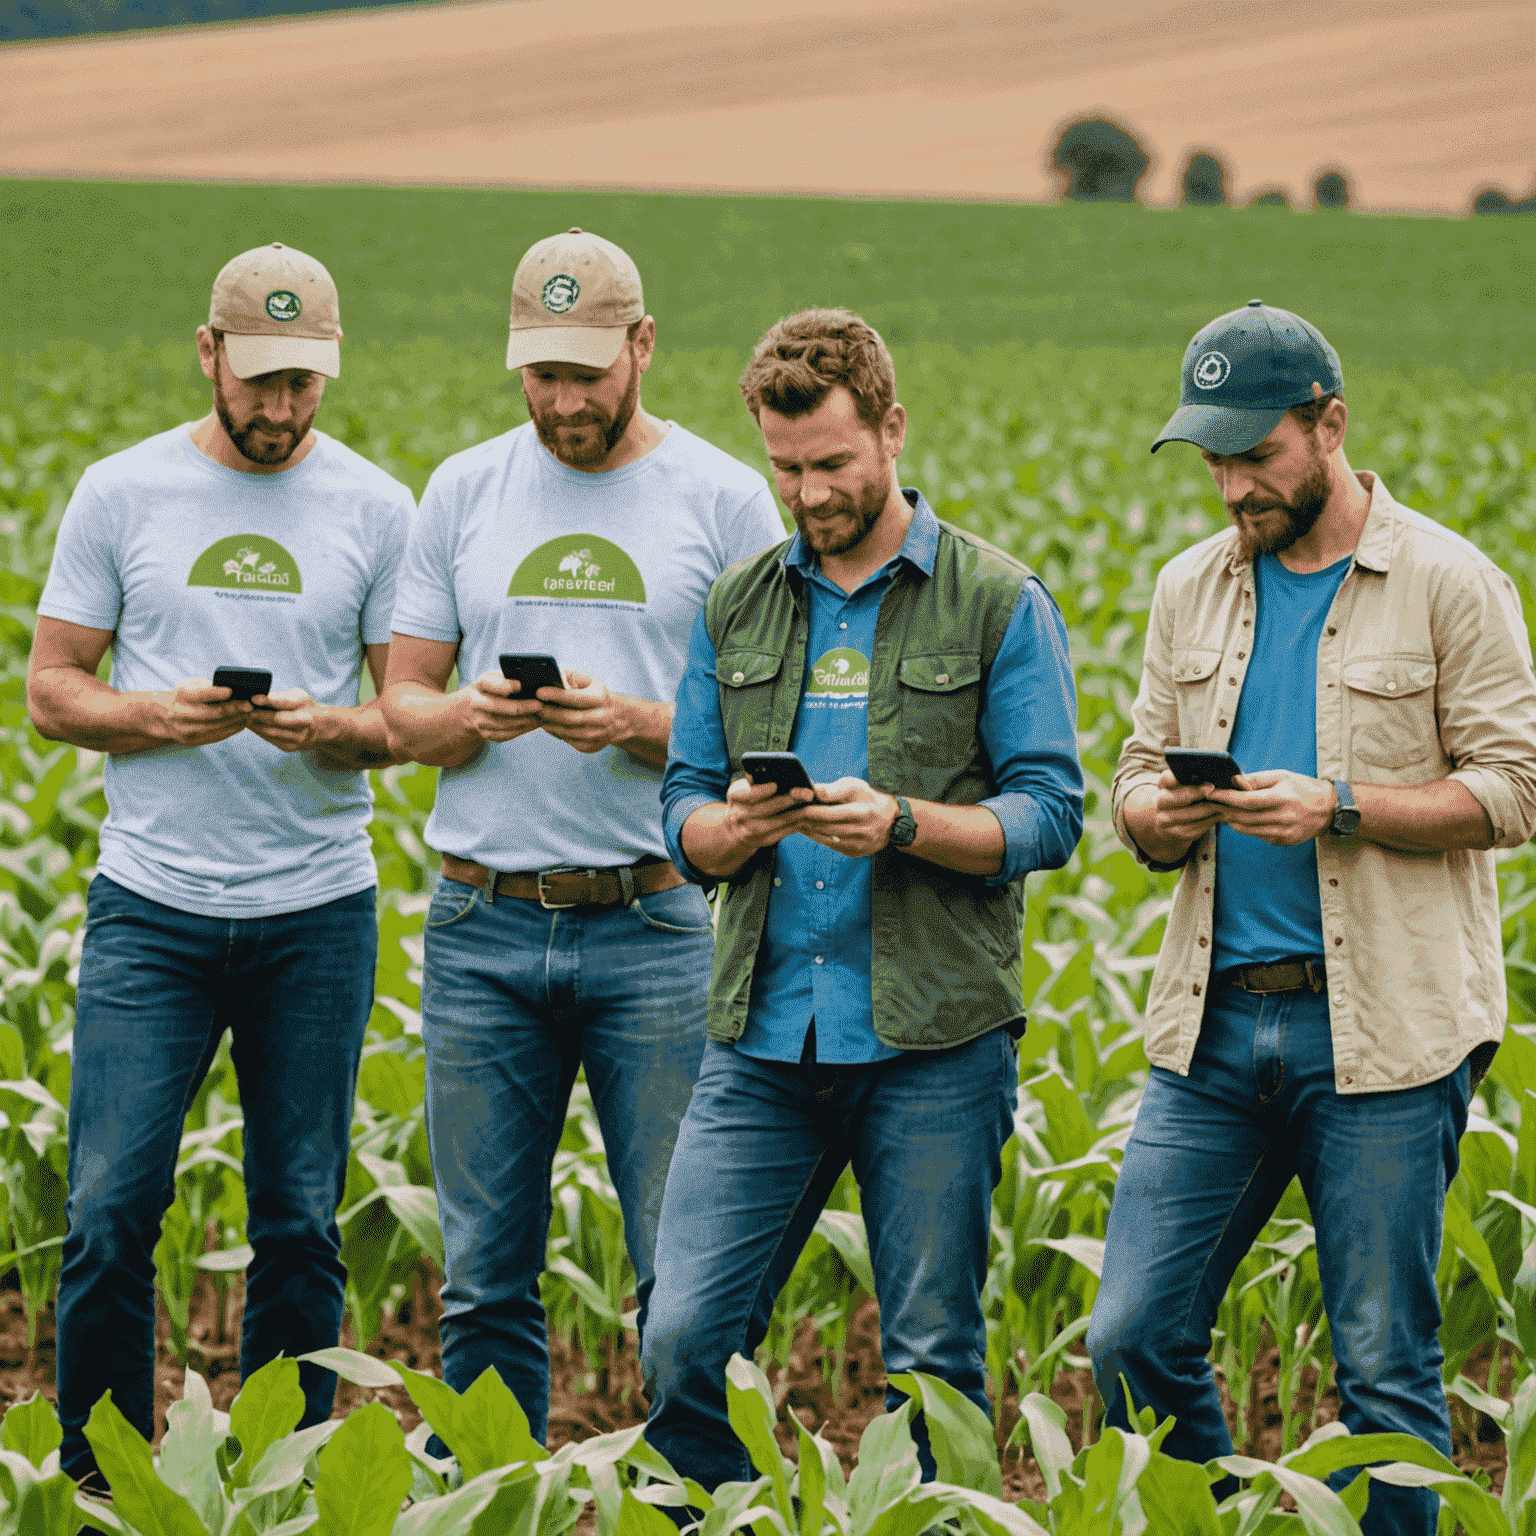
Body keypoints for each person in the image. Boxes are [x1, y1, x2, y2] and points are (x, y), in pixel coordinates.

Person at [1087, 301, 1536, 1534]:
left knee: (1384, 1372)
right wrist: (1154, 819)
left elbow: (1515, 790)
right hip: (1214, 1034)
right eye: (1214, 458)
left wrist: (1338, 804)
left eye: (1257, 454)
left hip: (1381, 1035)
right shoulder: (1192, 589)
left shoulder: (1449, 581)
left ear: (1330, 426)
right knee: (1132, 1334)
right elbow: (1130, 772)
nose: (1234, 484)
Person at [644, 308, 1084, 1489]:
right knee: (683, 1334)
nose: (809, 492)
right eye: (786, 468)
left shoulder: (994, 600)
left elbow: (1050, 813)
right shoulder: (740, 604)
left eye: (832, 463)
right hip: (763, 1035)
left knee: (933, 1358)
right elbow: (683, 808)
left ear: (892, 430)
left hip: (934, 1039)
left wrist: (902, 824)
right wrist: (733, 827)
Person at [379, 227, 783, 1443]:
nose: (562, 401)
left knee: (686, 1270)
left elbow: (776, 720)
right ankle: (497, 1504)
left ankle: (689, 1504)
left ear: (643, 346)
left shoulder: (723, 498)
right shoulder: (463, 488)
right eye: (541, 374)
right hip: (479, 925)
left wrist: (641, 723)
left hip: (655, 923)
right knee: (485, 1277)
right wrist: (470, 716)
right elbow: (403, 704)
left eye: (586, 372)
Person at [27, 242, 414, 1486]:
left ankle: (285, 1476)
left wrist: (332, 728)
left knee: (299, 1225)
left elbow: (408, 716)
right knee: (106, 1216)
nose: (280, 408)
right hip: (153, 910)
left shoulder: (375, 507)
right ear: (209, 356)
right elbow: (49, 690)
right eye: (260, 381)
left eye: (303, 383)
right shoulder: (122, 493)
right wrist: (154, 716)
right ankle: (100, 1483)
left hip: (317, 913)